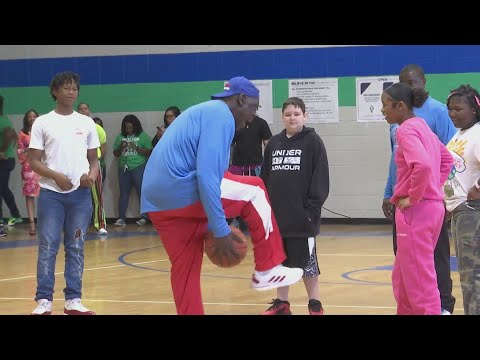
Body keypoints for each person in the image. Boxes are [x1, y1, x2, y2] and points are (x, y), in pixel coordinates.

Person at [141, 76, 304, 315]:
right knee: (255, 189)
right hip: (180, 189)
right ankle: (267, 268)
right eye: (253, 107)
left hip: (157, 203)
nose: (253, 116)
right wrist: (221, 229)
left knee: (185, 271)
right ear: (241, 99)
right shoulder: (221, 115)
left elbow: (216, 175)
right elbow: (208, 178)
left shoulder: (203, 113)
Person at [382, 64, 457, 315]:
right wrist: (433, 190)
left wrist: (415, 196)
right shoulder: (422, 126)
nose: (382, 110)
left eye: (385, 105)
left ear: (400, 106)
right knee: (403, 273)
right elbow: (446, 160)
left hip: (417, 210)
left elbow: (423, 165)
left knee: (418, 276)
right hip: (431, 207)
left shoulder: (404, 130)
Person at [28, 71, 100, 315]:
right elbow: (34, 160)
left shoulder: (86, 123)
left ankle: (73, 298)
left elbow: (94, 161)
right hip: (51, 195)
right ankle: (44, 299)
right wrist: (55, 176)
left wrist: (91, 175)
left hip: (80, 196)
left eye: (75, 88)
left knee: (76, 245)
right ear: (55, 92)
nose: (72, 91)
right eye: (66, 87)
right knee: (48, 245)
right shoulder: (43, 122)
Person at [260, 97, 329, 315]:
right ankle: (282, 303)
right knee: (280, 262)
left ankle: (315, 305)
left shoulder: (313, 141)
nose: (292, 118)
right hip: (278, 217)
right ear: (282, 117)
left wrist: (311, 210)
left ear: (305, 116)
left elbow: (321, 178)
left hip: (303, 218)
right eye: (288, 114)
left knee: (308, 264)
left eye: (297, 114)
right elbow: (265, 178)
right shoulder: (273, 144)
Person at [443, 85, 480, 315]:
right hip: (459, 212)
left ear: (474, 110)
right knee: (468, 275)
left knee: (472, 276)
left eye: (458, 109)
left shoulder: (477, 133)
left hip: (472, 212)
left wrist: (477, 188)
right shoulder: (461, 134)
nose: (452, 113)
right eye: (449, 109)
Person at [228, 115, 272, 234]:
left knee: (256, 197)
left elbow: (268, 144)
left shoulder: (261, 123)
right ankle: (236, 221)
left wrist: (269, 165)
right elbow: (229, 144)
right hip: (237, 167)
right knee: (235, 196)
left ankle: (257, 224)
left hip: (256, 167)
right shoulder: (235, 123)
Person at [113, 114, 152, 226]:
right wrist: (121, 147)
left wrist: (135, 147)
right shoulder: (120, 136)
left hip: (138, 167)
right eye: (126, 128)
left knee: (141, 192)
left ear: (136, 126)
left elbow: (149, 152)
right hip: (123, 168)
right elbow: (115, 154)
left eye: (130, 127)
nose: (128, 130)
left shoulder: (143, 136)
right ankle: (121, 218)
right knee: (123, 193)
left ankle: (144, 217)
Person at [77, 103, 107, 235]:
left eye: (85, 108)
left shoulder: (97, 128)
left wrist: (96, 162)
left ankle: (100, 224)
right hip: (78, 165)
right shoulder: (73, 127)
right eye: (80, 109)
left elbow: (103, 148)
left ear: (89, 111)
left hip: (93, 164)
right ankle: (77, 225)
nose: (83, 111)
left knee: (97, 196)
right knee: (76, 196)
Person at [0, 94, 23, 237]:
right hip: (6, 160)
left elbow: (10, 133)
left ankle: (11, 216)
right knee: (2, 189)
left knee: (1, 188)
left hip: (5, 160)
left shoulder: (2, 119)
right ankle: (12, 216)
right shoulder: (4, 118)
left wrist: (2, 150)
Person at [17, 109, 41, 236]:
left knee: (46, 194)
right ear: (26, 119)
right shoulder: (22, 134)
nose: (32, 118)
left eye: (34, 116)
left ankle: (45, 222)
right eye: (29, 117)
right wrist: (27, 149)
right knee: (30, 195)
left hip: (42, 166)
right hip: (28, 167)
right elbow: (19, 152)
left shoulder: (42, 132)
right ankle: (32, 223)